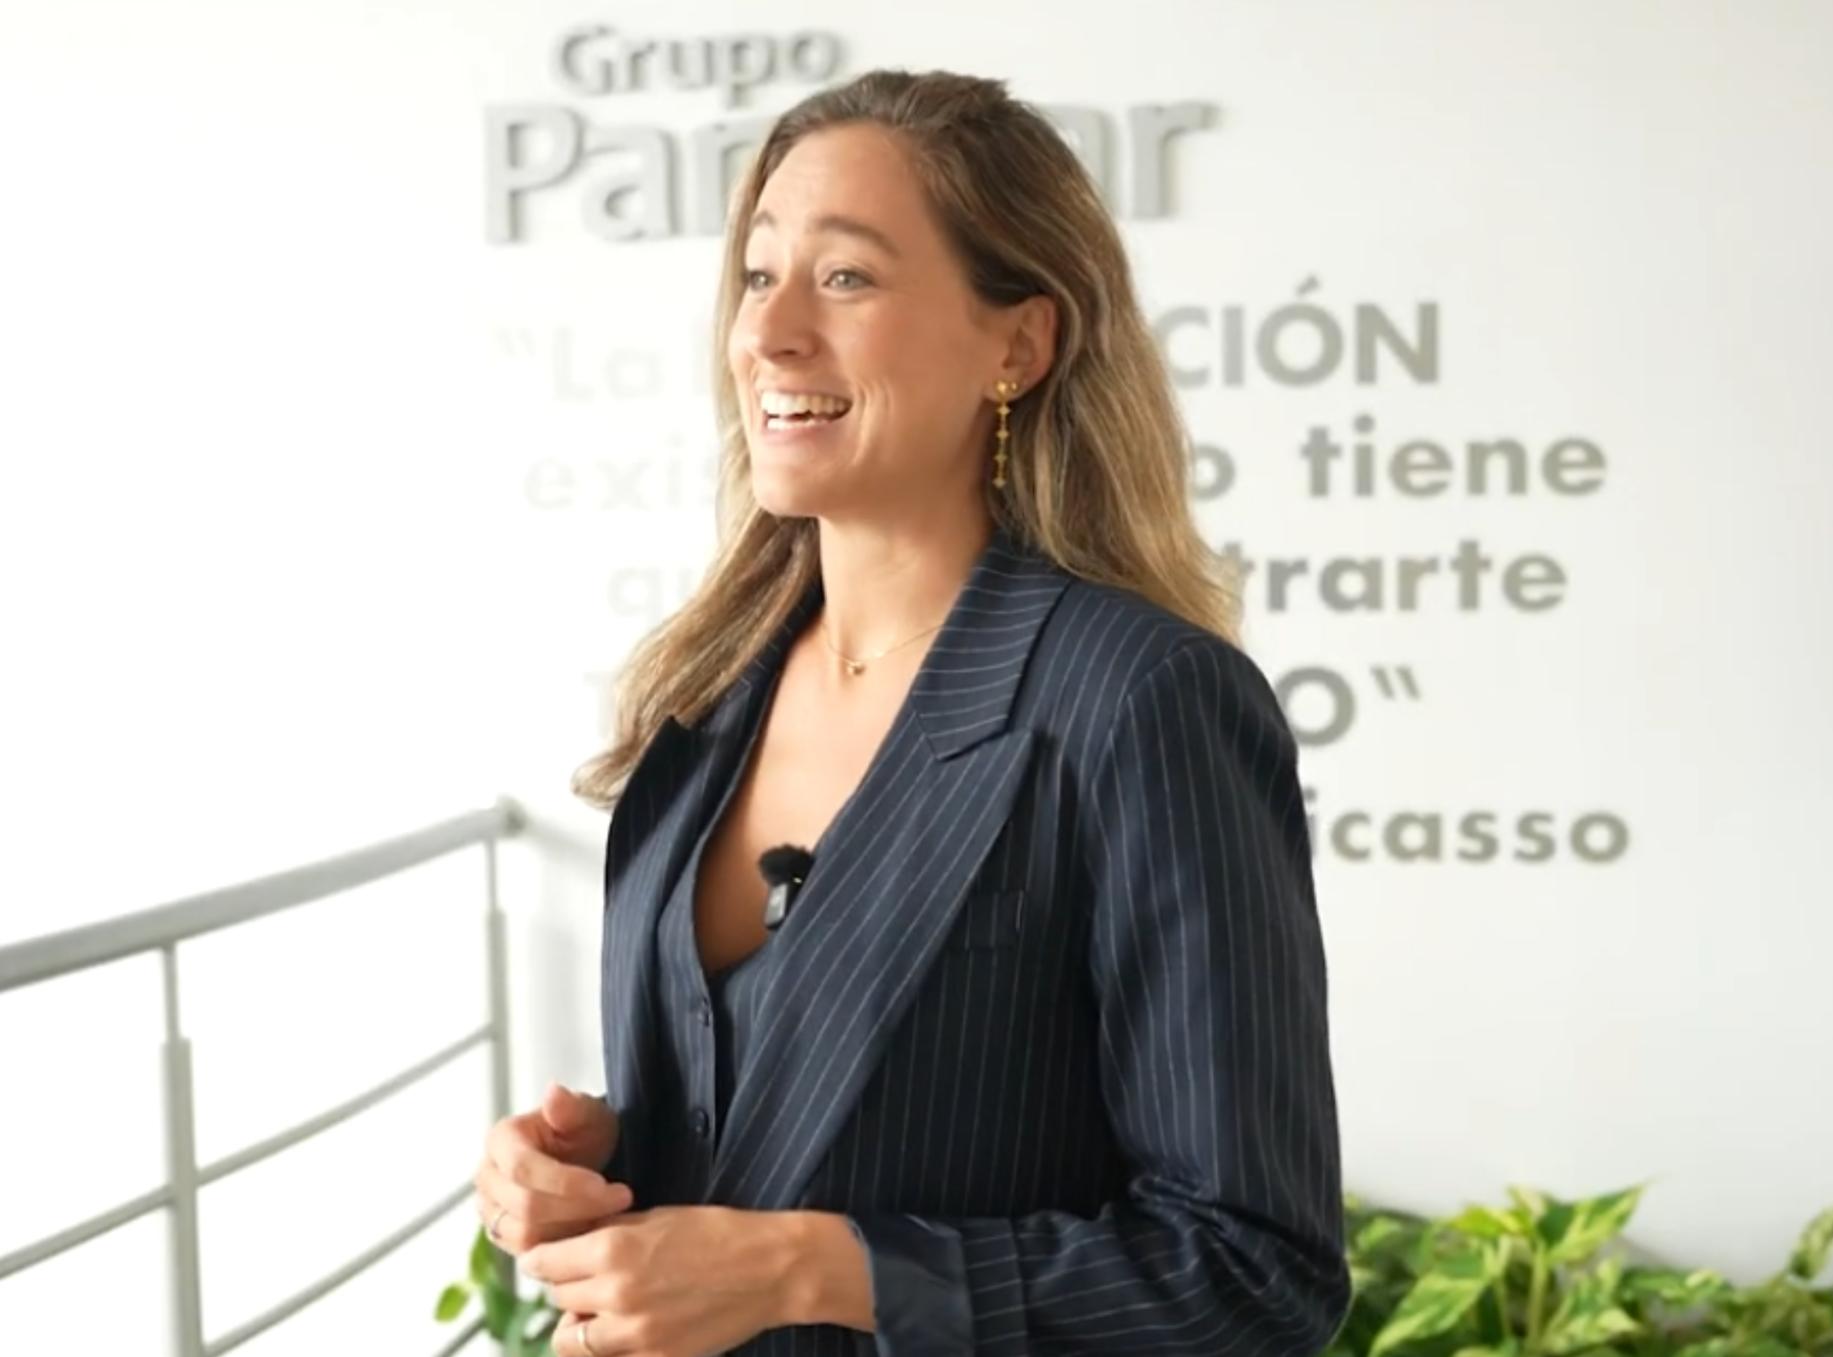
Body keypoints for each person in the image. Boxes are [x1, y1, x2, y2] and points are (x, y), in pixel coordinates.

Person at [471, 67, 1350, 1357]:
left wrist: (815, 1270)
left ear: (1019, 347)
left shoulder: (1138, 698)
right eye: (758, 274)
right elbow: (813, 1105)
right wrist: (598, 1164)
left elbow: (1254, 1272)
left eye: (846, 277)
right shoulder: (710, 693)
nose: (769, 334)